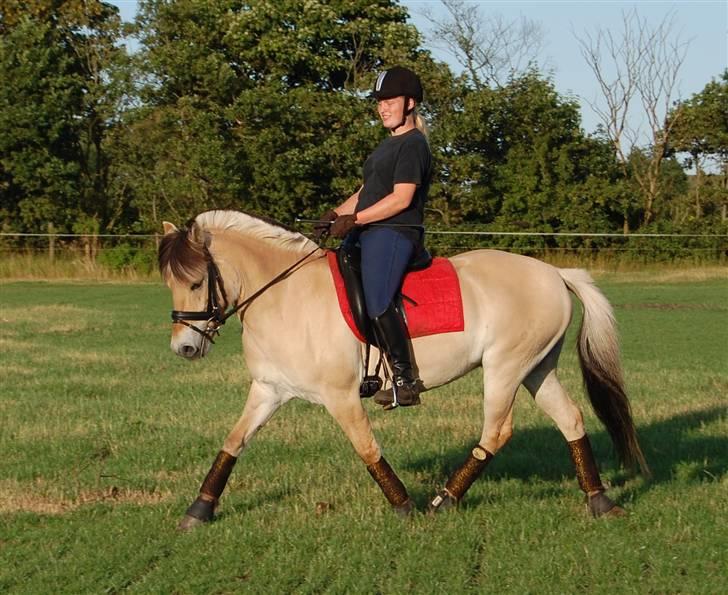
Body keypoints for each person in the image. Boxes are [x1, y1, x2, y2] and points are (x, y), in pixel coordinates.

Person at [315, 66, 432, 407]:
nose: (383, 108)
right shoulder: (386, 146)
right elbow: (366, 192)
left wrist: (355, 220)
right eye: (379, 102)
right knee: (343, 266)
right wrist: (335, 214)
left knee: (378, 298)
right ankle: (368, 365)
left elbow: (401, 199)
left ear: (409, 103)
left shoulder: (413, 145)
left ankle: (406, 379)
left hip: (396, 231)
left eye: (390, 101)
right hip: (370, 228)